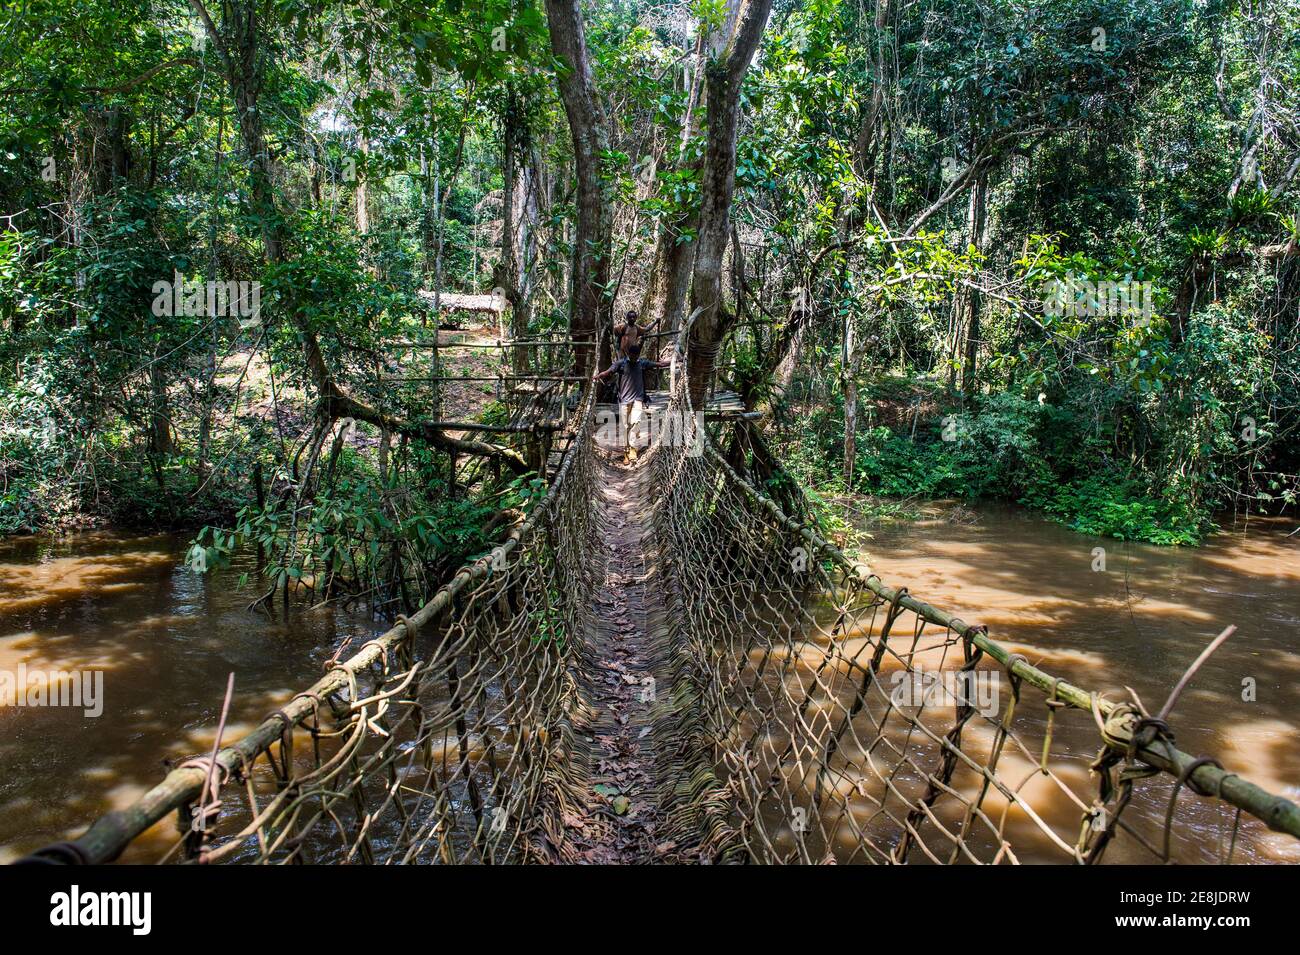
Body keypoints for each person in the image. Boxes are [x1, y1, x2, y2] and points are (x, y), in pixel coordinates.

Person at [592, 342, 670, 461]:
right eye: (633, 355)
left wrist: (672, 361)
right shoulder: (621, 364)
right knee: (625, 426)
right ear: (629, 354)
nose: (634, 358)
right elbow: (609, 371)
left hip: (638, 399)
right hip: (624, 400)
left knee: (636, 422)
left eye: (636, 356)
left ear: (638, 355)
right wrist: (598, 376)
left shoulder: (642, 363)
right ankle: (626, 451)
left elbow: (658, 364)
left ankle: (632, 449)